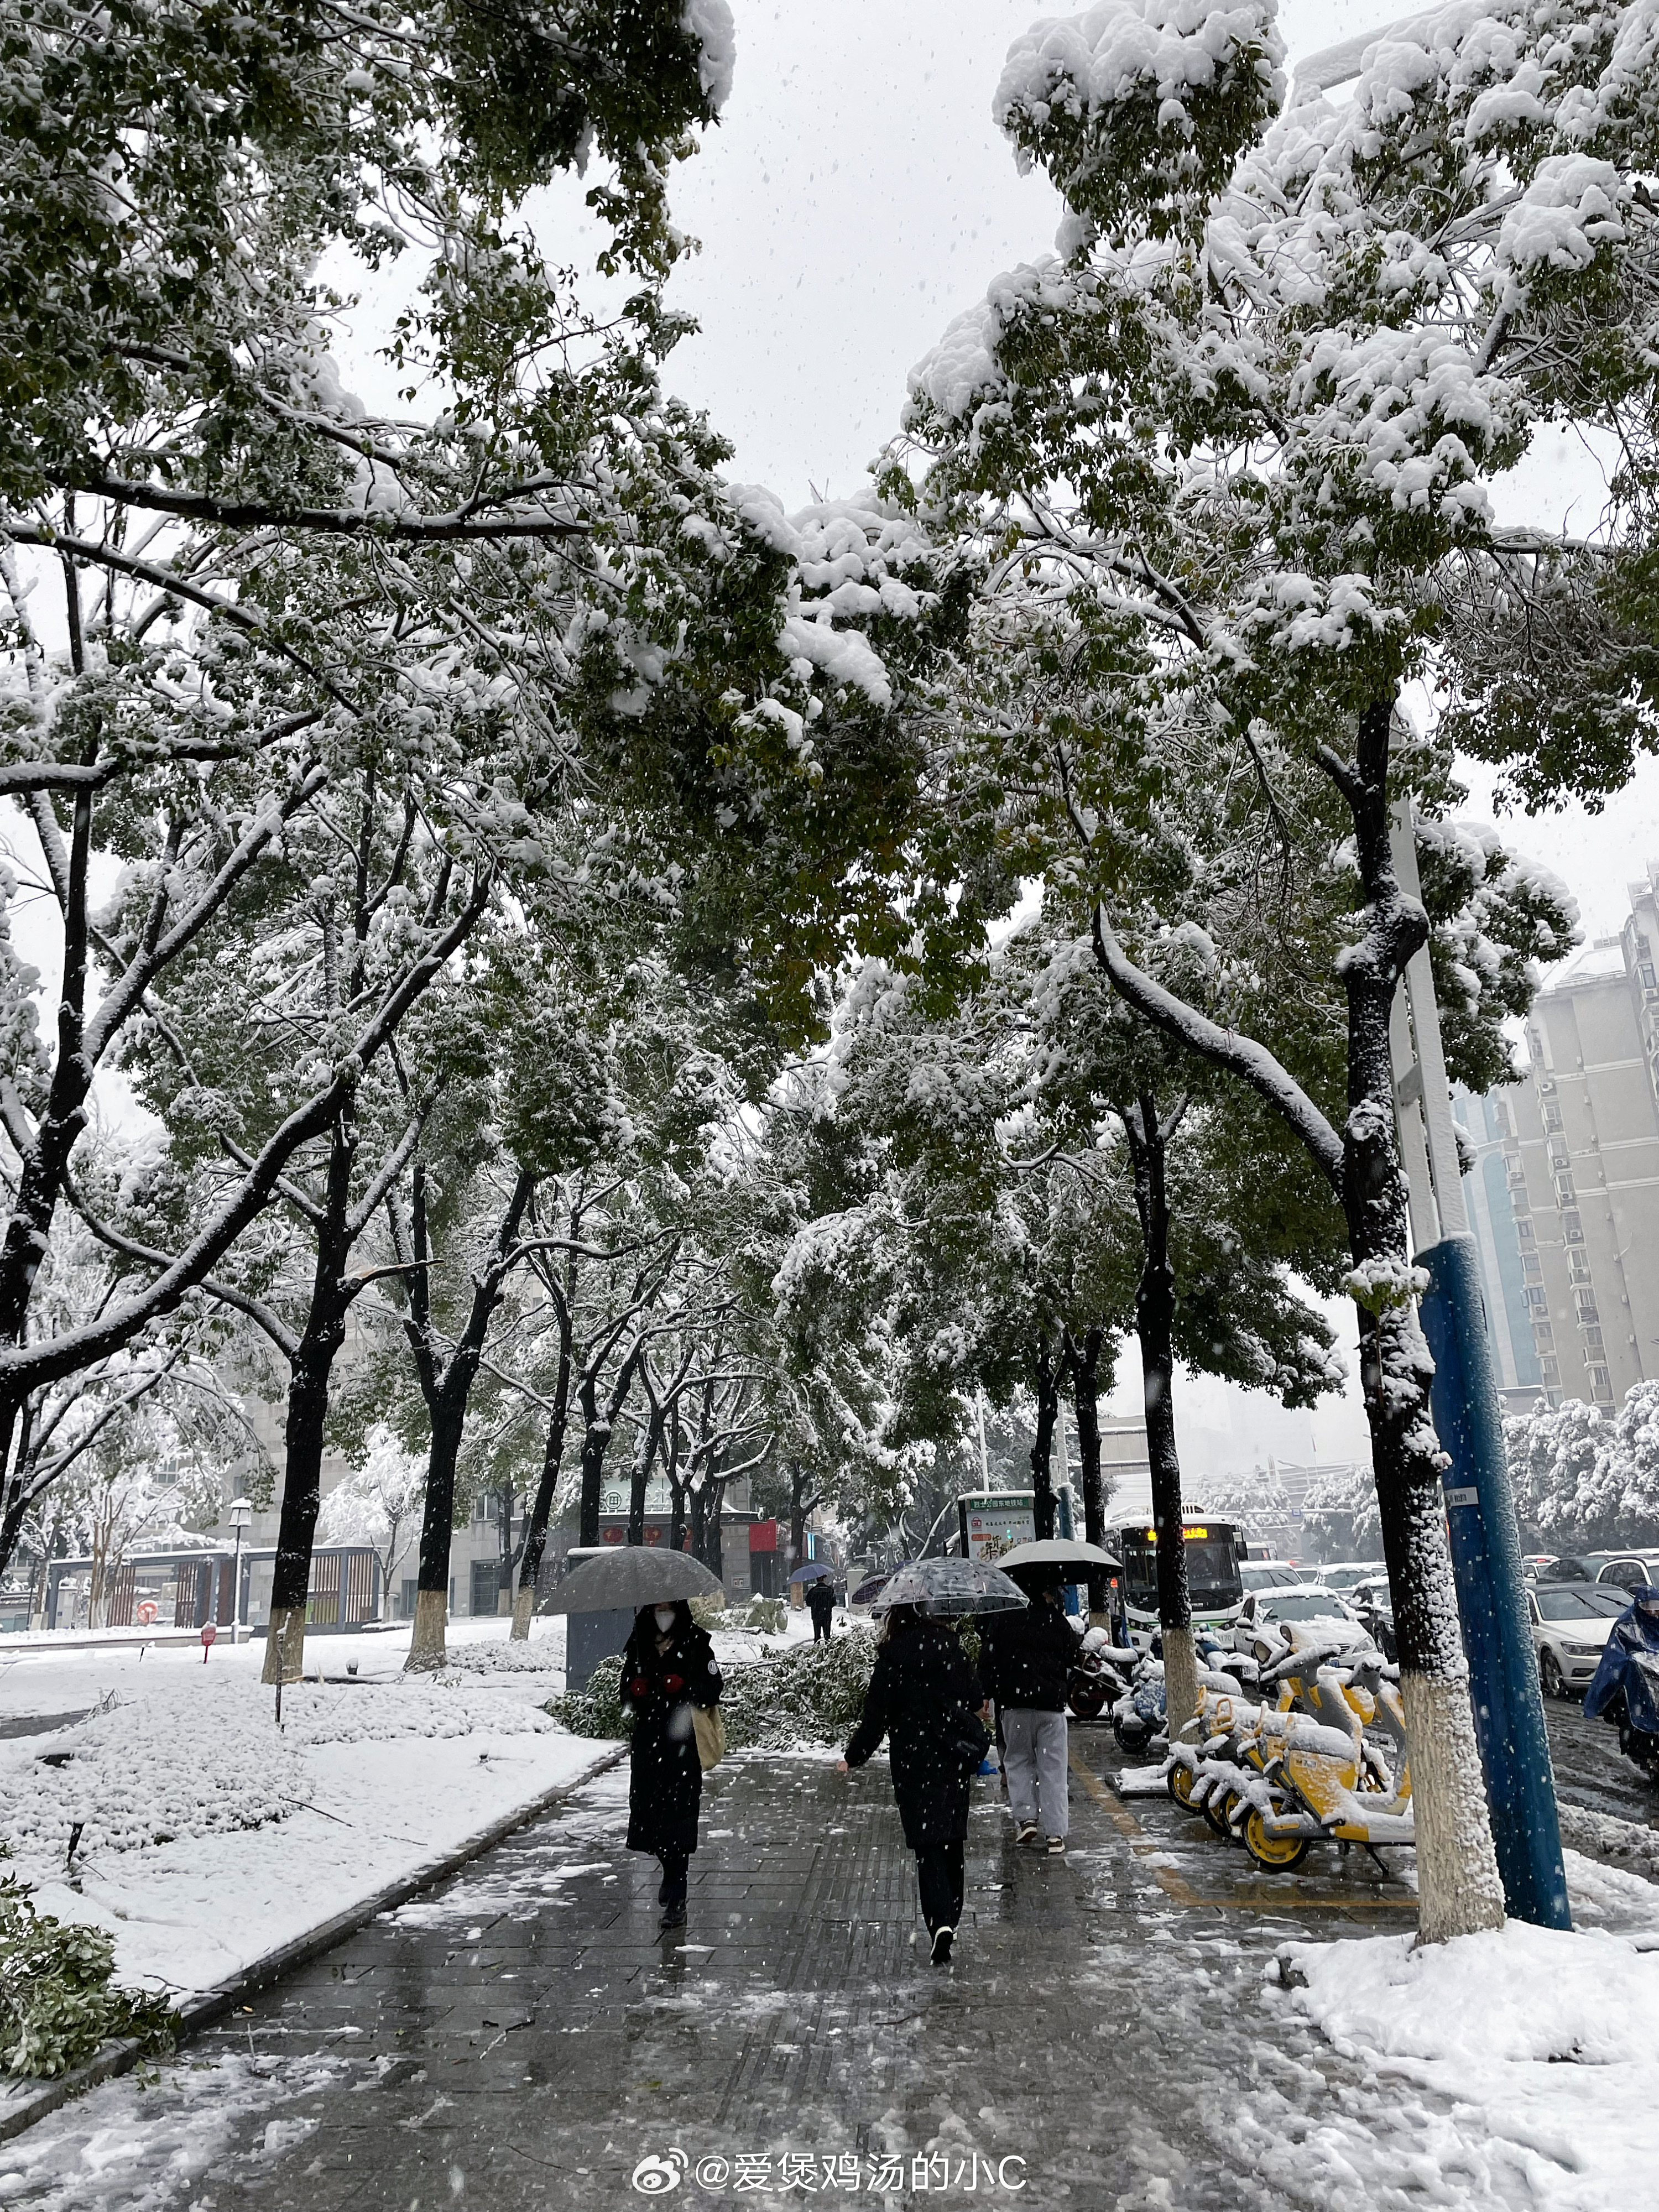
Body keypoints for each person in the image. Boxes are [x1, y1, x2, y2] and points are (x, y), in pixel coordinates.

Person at [837, 1601, 988, 1965]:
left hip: (912, 1761)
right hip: (951, 1755)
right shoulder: (950, 1648)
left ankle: (938, 1921)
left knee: (927, 1843)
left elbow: (875, 1718)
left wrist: (853, 1756)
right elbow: (975, 1698)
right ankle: (950, 1915)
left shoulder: (891, 1658)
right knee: (952, 1838)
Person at [620, 1598, 723, 1929]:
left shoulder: (696, 1641)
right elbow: (625, 1692)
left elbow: (713, 1688)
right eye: (657, 1604)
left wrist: (685, 1687)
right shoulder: (638, 1641)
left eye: (669, 1603)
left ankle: (678, 1894)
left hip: (682, 1746)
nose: (663, 1610)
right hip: (650, 1747)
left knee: (679, 1818)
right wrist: (636, 1690)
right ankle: (668, 1871)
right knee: (652, 1819)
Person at [980, 1576, 1074, 1854]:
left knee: (1018, 1762)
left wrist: (985, 1694)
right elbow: (1071, 1654)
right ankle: (1055, 1835)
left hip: (1014, 1705)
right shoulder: (1057, 1621)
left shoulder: (1005, 1619)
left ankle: (1027, 1819)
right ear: (1045, 1593)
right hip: (1051, 1707)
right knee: (1053, 1769)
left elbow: (988, 1658)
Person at [806, 1574, 837, 1643]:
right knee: (827, 1635)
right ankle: (828, 1649)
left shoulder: (813, 1591)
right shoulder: (829, 1590)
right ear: (824, 1580)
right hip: (827, 1615)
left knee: (817, 1635)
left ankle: (817, 1647)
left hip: (816, 1615)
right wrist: (827, 1606)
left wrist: (816, 1606)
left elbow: (808, 1603)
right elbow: (834, 1602)